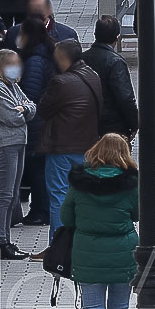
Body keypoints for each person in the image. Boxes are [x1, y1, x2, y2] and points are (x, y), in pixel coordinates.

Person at [62, 133, 138, 309]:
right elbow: (138, 214)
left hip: (87, 250)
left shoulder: (80, 182)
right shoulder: (131, 183)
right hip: (123, 252)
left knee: (92, 308)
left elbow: (66, 218)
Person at [37, 39, 103, 245]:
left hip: (62, 147)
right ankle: (83, 240)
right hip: (87, 146)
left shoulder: (61, 82)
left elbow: (44, 109)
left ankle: (59, 246)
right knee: (83, 196)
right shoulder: (93, 76)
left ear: (62, 58)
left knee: (58, 196)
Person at [0, 50, 37, 259]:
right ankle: (1, 242)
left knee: (13, 193)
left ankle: (7, 239)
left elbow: (31, 107)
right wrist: (22, 110)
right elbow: (12, 117)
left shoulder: (12, 86)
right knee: (5, 193)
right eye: (12, 64)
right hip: (5, 143)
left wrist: (24, 109)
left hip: (18, 141)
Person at [16, 15, 57, 227]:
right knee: (40, 168)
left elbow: (30, 93)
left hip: (36, 123)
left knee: (37, 169)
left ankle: (40, 210)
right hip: (44, 121)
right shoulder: (47, 53)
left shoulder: (34, 60)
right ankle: (41, 208)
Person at [81, 15, 138, 139]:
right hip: (112, 126)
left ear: (95, 34)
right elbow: (125, 97)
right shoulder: (115, 62)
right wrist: (134, 124)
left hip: (86, 122)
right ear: (117, 37)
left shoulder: (82, 58)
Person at [1, 0, 80, 50]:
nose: (36, 13)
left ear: (49, 10)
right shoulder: (14, 33)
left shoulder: (67, 34)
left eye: (39, 10)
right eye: (32, 11)